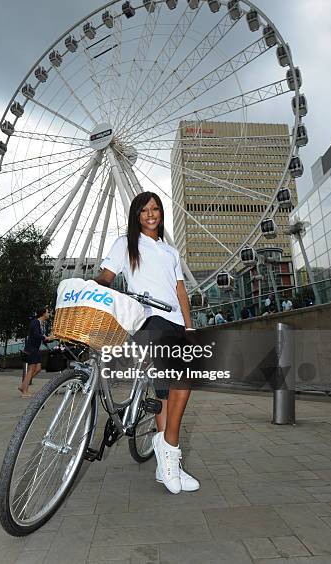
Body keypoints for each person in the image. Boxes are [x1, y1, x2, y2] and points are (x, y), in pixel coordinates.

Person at [96, 191, 200, 494]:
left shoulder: (170, 251)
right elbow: (106, 276)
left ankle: (167, 462)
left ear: (160, 213)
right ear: (136, 215)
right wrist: (93, 288)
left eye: (155, 209)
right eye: (144, 210)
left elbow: (180, 292)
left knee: (166, 392)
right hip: (149, 319)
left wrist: (190, 326)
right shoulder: (125, 244)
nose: (150, 214)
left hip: (178, 322)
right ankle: (169, 446)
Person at [18, 307, 55, 398]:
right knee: (31, 369)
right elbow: (36, 334)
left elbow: (43, 339)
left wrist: (51, 338)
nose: (48, 314)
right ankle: (24, 391)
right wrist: (46, 338)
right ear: (43, 313)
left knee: (38, 369)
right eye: (47, 312)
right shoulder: (35, 322)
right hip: (31, 348)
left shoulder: (42, 324)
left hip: (36, 349)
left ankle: (23, 386)